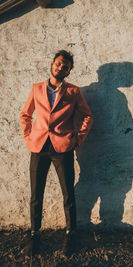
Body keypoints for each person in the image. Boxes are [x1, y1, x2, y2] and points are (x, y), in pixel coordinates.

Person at [20, 50, 93, 256]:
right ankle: (34, 235)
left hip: (63, 148)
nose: (61, 67)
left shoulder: (73, 92)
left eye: (66, 66)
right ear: (52, 64)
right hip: (39, 147)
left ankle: (71, 235)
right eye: (59, 63)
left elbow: (87, 116)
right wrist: (28, 137)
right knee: (36, 194)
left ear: (69, 71)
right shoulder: (36, 89)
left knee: (68, 194)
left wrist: (78, 139)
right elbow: (25, 115)